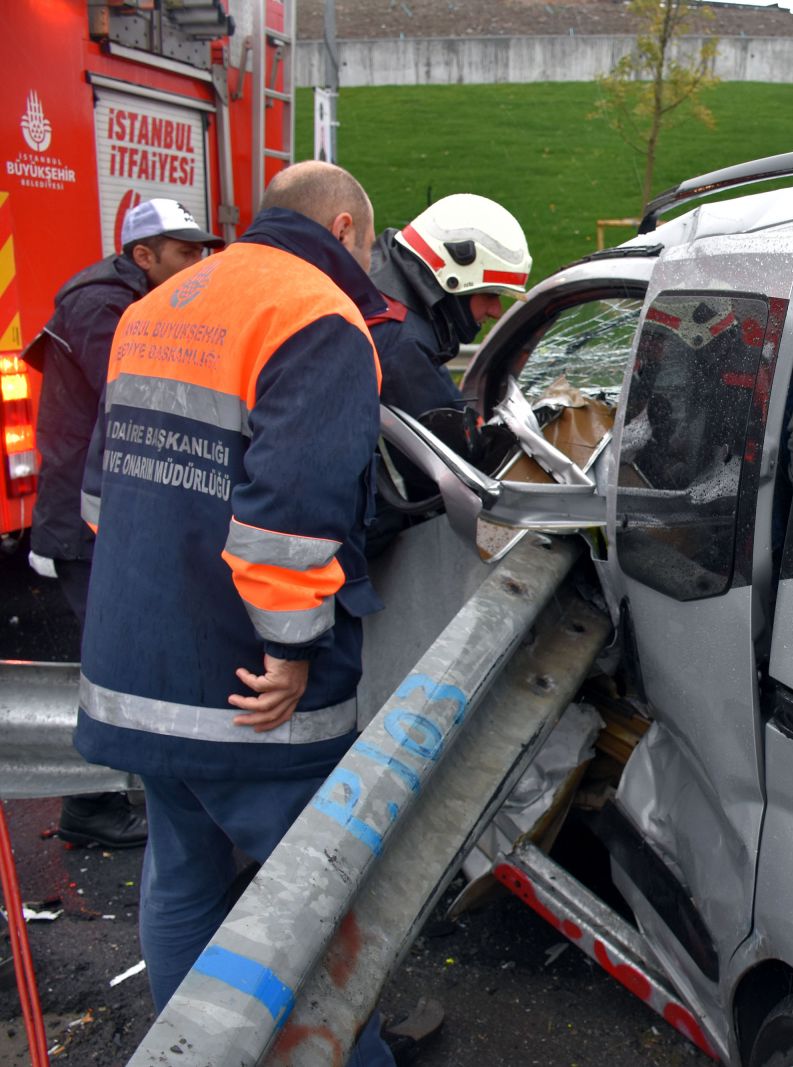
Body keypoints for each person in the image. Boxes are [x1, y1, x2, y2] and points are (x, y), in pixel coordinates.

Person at [71, 160, 394, 1064]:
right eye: (368, 243)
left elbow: (100, 498)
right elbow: (289, 513)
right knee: (312, 906)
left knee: (183, 875)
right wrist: (290, 650)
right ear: (343, 228)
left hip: (137, 663)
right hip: (244, 688)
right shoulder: (317, 315)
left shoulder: (158, 307)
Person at [23, 198, 222, 849]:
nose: (198, 263)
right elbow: (148, 390)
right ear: (143, 255)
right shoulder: (101, 306)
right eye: (185, 252)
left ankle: (119, 788)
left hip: (103, 510)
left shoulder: (130, 298)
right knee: (109, 660)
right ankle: (92, 805)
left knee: (125, 653)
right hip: (84, 519)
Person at [365, 192, 531, 420]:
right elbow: (452, 437)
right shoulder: (403, 342)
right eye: (490, 294)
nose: (496, 311)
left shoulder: (384, 284)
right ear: (453, 281)